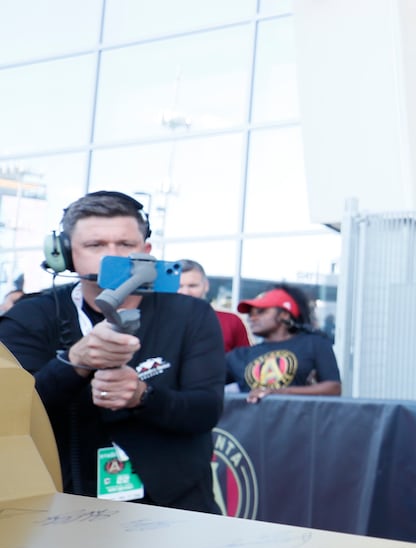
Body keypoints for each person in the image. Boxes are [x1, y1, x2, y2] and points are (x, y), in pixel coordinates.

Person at [0, 191, 224, 511]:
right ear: (65, 254)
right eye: (95, 245)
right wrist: (72, 363)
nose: (112, 257)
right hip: (63, 506)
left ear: (146, 251)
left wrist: (143, 395)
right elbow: (11, 413)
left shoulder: (192, 314)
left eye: (125, 245)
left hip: (178, 503)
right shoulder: (29, 315)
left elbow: (206, 409)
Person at [225, 284, 341, 403]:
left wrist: (278, 392)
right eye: (250, 314)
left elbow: (334, 388)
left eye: (261, 312)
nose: (252, 318)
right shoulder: (239, 356)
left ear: (284, 315)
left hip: (298, 420)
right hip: (253, 421)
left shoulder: (314, 343)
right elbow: (207, 383)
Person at [176, 259, 250, 353]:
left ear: (206, 286)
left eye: (192, 286)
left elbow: (246, 364)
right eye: (179, 286)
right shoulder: (157, 322)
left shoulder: (231, 322)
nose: (185, 292)